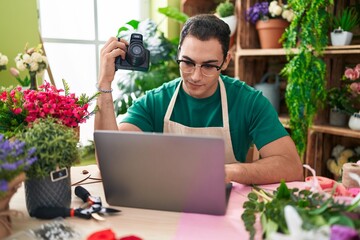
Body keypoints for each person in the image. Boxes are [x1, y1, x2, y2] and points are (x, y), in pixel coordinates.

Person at [95, 14, 304, 185]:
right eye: (187, 62)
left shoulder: (249, 102)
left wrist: (229, 171)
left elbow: (291, 166)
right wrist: (104, 83)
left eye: (209, 66)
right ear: (178, 54)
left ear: (226, 61)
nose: (195, 76)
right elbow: (110, 161)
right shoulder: (155, 102)